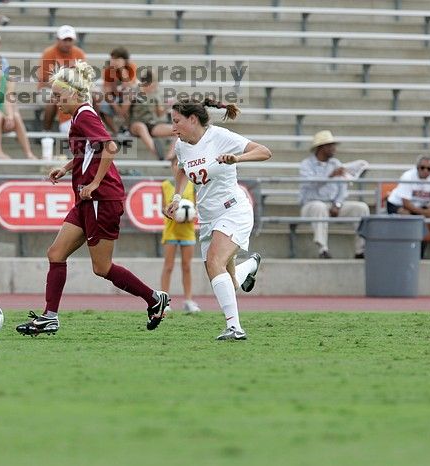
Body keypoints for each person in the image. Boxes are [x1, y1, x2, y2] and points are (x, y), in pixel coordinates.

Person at [16, 60, 170, 336]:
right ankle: (50, 316)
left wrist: (95, 183)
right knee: (56, 253)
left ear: (75, 94)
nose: (55, 101)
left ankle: (153, 298)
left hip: (102, 199)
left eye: (58, 96)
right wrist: (65, 168)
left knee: (101, 268)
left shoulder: (85, 114)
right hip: (87, 198)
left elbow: (109, 147)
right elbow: (86, 152)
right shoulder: (78, 116)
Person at [164, 98, 270, 341]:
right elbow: (181, 169)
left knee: (214, 261)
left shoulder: (221, 136)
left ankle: (235, 328)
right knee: (226, 281)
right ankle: (249, 266)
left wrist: (237, 159)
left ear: (192, 119)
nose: (173, 128)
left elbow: (264, 151)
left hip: (233, 210)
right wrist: (178, 196)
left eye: (176, 121)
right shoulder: (182, 144)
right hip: (209, 217)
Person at [299, 130, 370, 259]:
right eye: (330, 145)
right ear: (321, 147)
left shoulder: (336, 164)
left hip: (332, 205)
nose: (334, 148)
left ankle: (361, 250)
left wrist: (337, 204)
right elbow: (310, 183)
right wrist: (329, 175)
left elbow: (342, 188)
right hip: (311, 205)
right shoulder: (306, 165)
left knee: (361, 208)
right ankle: (323, 249)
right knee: (318, 207)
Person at [386, 154, 430, 260]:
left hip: (420, 207)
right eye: (422, 167)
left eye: (429, 168)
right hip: (397, 204)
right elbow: (406, 204)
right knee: (407, 216)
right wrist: (428, 213)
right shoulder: (408, 176)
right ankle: (408, 250)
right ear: (417, 167)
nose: (425, 171)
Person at [161, 157, 200, 313]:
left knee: (187, 267)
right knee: (168, 266)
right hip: (171, 231)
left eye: (180, 165)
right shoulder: (165, 185)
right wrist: (170, 213)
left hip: (188, 232)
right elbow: (163, 208)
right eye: (175, 165)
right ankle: (164, 300)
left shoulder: (192, 186)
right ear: (171, 167)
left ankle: (189, 300)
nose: (177, 167)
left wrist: (191, 214)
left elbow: (196, 208)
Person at [36, 25, 87, 133]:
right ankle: (46, 131)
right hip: (48, 88)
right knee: (53, 97)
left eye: (70, 40)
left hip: (73, 88)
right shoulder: (49, 53)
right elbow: (44, 79)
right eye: (65, 40)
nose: (67, 43)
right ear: (58, 40)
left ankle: (92, 128)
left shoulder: (79, 53)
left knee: (94, 95)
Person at [120, 69, 175, 160]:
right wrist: (129, 99)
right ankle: (157, 152)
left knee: (176, 130)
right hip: (135, 124)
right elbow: (122, 112)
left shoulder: (155, 94)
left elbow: (159, 113)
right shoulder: (134, 91)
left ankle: (170, 155)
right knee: (141, 127)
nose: (156, 85)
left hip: (151, 124)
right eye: (154, 82)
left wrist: (167, 106)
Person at [98, 47, 138, 135]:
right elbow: (106, 90)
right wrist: (116, 106)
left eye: (116, 59)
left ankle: (128, 128)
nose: (113, 61)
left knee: (128, 94)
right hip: (114, 97)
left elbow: (129, 85)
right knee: (103, 106)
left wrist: (122, 69)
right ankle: (116, 132)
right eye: (112, 58)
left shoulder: (131, 67)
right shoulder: (108, 70)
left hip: (128, 95)